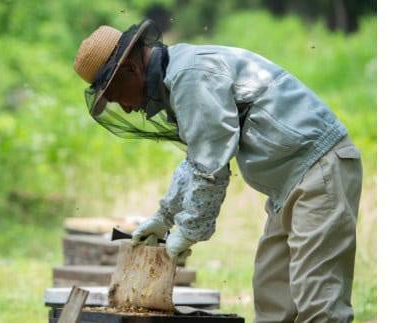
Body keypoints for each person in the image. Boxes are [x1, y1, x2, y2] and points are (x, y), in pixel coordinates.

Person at [73, 19, 362, 322]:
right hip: (291, 183)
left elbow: (211, 167)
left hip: (320, 171)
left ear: (131, 70)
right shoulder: (180, 74)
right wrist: (165, 216)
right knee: (274, 296)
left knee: (318, 303)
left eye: (118, 96)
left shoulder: (190, 76)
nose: (127, 108)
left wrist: (188, 230)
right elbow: (198, 157)